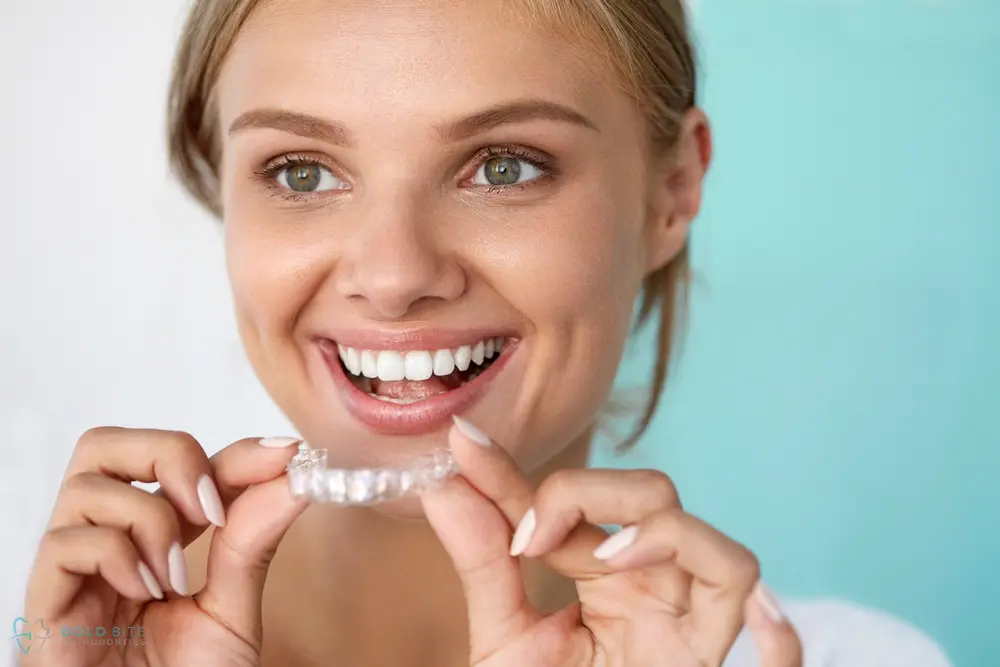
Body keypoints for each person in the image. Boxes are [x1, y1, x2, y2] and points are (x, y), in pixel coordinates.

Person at [17, 1, 953, 666]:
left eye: (503, 165)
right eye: (302, 172)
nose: (392, 276)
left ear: (673, 191)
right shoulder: (62, 642)